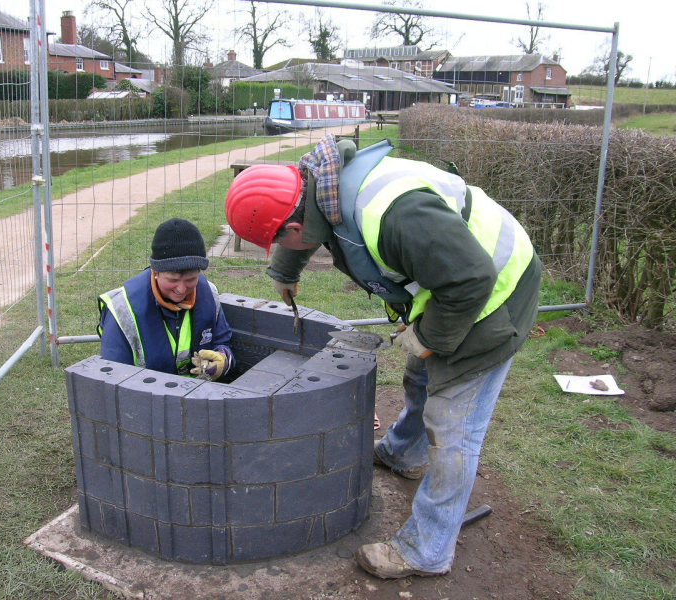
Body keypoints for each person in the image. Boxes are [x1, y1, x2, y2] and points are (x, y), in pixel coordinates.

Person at [224, 134, 541, 579]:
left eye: (282, 243)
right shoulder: (321, 188)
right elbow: (306, 223)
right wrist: (284, 270)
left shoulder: (391, 216)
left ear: (294, 229)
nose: (288, 244)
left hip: (495, 292)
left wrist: (426, 337)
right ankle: (404, 454)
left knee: (454, 425)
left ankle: (426, 550)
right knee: (419, 375)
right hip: (453, 276)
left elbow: (471, 280)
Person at [97, 218, 235, 381]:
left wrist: (223, 361)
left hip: (198, 396)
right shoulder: (122, 309)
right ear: (155, 272)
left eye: (191, 279)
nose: (181, 289)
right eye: (172, 280)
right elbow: (114, 377)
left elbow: (223, 341)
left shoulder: (209, 293)